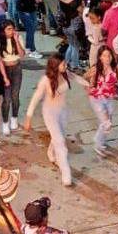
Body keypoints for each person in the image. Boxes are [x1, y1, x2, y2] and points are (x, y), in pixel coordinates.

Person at [22, 55, 74, 186]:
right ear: (55, 66)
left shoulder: (66, 73)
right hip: (50, 114)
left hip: (63, 112)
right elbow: (35, 98)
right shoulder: (45, 80)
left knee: (58, 137)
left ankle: (51, 151)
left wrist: (89, 84)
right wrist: (28, 117)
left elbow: (77, 78)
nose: (66, 66)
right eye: (63, 64)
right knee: (60, 142)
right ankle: (66, 173)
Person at [78, 46, 118, 157]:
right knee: (106, 124)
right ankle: (98, 145)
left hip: (109, 98)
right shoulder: (96, 69)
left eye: (109, 55)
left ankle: (99, 141)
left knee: (107, 123)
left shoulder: (114, 67)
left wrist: (117, 65)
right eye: (104, 56)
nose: (107, 58)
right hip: (96, 98)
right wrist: (88, 88)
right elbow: (83, 78)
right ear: (100, 57)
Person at [0, 21, 26, 136]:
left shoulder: (18, 38)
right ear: (3, 31)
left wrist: (16, 40)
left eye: (12, 29)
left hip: (16, 68)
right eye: (9, 29)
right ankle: (5, 123)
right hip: (5, 69)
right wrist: (4, 76)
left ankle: (14, 118)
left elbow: (22, 55)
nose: (12, 31)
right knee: (6, 99)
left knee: (15, 96)